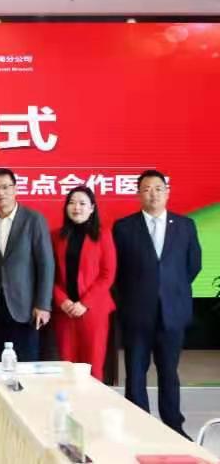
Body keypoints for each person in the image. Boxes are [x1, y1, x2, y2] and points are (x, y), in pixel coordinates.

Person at [113, 170, 201, 439]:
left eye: (158, 188)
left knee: (169, 372)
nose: (153, 194)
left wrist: (168, 289)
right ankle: (138, 426)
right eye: (147, 189)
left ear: (167, 192)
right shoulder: (124, 227)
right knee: (135, 373)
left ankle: (173, 426)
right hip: (136, 312)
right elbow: (117, 272)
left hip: (172, 312)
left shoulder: (185, 225)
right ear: (138, 194)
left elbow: (193, 265)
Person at [0, 168, 54, 362]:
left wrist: (43, 304)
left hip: (25, 307)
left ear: (15, 188)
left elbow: (46, 264)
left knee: (25, 364)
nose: (0, 192)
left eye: (5, 187)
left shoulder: (33, 219)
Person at [51, 186, 116, 380]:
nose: (76, 207)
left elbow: (107, 274)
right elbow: (49, 274)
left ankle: (93, 401)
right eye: (71, 203)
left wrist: (85, 303)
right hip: (65, 311)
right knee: (66, 366)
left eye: (82, 203)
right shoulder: (56, 236)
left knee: (92, 365)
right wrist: (62, 300)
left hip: (93, 311)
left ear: (92, 208)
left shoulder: (103, 235)